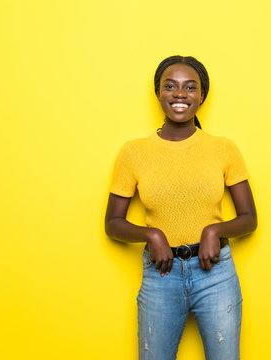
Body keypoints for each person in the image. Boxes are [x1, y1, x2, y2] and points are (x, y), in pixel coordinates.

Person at [104, 55, 257, 360]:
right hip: (161, 274)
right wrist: (154, 236)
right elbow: (112, 223)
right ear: (158, 92)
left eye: (190, 87)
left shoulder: (223, 148)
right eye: (170, 86)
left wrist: (215, 229)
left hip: (216, 273)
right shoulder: (134, 152)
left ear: (201, 96)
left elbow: (249, 218)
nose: (179, 94)